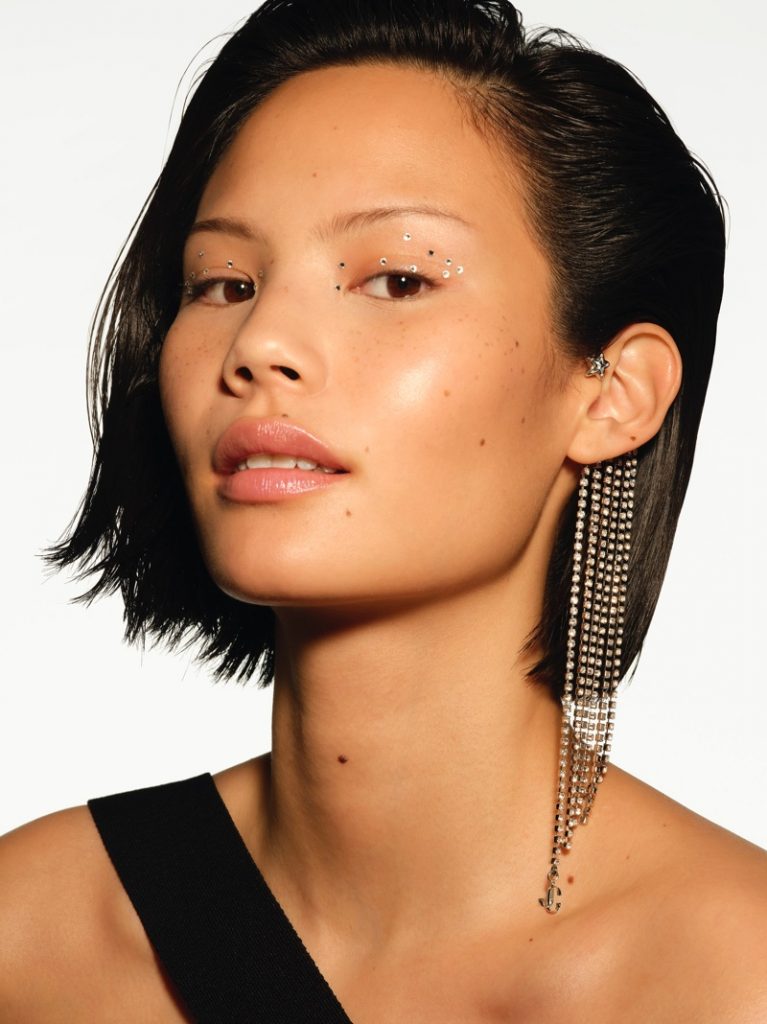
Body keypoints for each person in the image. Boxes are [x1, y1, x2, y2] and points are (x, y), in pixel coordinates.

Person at [1, 0, 766, 1020]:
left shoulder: (733, 977)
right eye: (222, 283)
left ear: (611, 394)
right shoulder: (32, 937)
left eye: (397, 279)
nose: (261, 343)